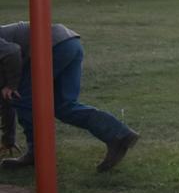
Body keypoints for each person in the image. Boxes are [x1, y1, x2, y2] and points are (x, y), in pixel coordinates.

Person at [0, 22, 139, 172]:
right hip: (69, 43)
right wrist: (9, 139)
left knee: (24, 99)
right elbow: (6, 99)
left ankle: (37, 154)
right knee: (63, 105)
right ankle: (118, 134)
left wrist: (13, 85)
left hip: (51, 46)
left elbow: (12, 51)